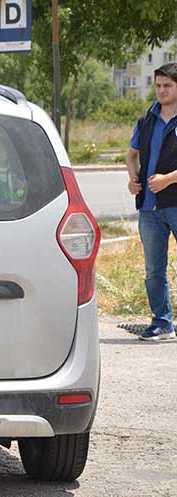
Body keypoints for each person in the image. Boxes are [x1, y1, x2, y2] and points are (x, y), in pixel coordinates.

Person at [126, 62, 177, 342]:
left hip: (175, 202)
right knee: (153, 271)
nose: (161, 90)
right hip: (149, 208)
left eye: (167, 85)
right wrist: (133, 179)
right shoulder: (146, 120)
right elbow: (131, 155)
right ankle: (162, 323)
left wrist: (168, 179)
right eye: (158, 85)